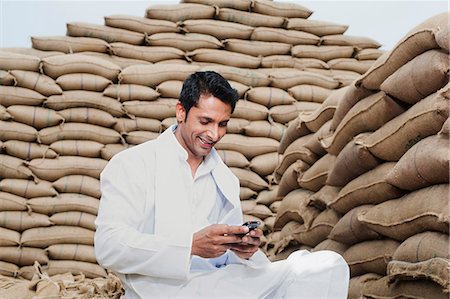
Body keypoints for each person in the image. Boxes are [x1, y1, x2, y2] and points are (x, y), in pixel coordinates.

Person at [94, 71, 349, 298]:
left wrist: (243, 250)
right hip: (159, 289)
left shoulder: (225, 179)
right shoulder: (133, 164)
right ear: (180, 112)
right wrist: (191, 246)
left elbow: (226, 259)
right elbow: (109, 246)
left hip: (221, 285)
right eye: (205, 122)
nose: (214, 134)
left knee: (327, 266)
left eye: (222, 124)